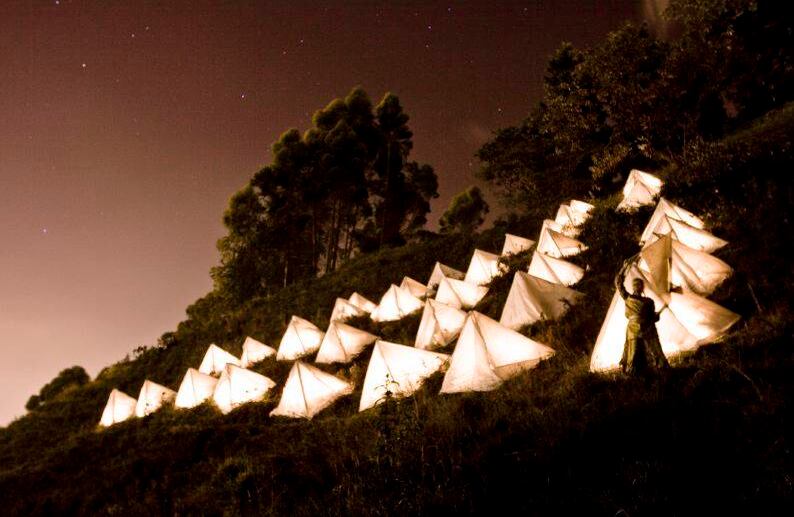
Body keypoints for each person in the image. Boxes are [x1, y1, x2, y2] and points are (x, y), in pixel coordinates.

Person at [615, 258, 670, 375]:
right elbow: (654, 319)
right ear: (641, 288)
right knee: (643, 351)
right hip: (643, 329)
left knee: (635, 352)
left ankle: (637, 372)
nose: (637, 287)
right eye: (637, 285)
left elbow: (618, 283)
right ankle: (654, 369)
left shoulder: (630, 298)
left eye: (637, 285)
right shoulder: (646, 301)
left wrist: (623, 268)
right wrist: (660, 312)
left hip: (636, 329)